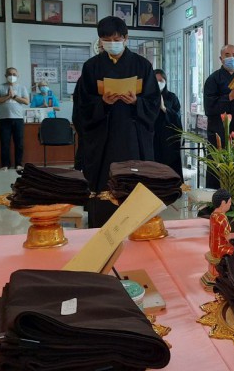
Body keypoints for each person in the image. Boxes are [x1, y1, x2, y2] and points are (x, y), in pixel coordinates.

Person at [73, 16, 160, 226]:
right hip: (102, 138)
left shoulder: (142, 65)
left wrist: (137, 102)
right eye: (106, 39)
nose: (112, 43)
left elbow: (154, 102)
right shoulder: (91, 67)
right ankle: (101, 230)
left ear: (125, 38)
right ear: (100, 40)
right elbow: (82, 105)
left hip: (133, 137)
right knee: (104, 187)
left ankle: (136, 228)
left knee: (133, 185)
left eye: (116, 39)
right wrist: (102, 102)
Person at [203, 44, 234, 188]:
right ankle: (216, 198)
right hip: (219, 131)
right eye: (227, 55)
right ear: (221, 58)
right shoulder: (213, 79)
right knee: (218, 168)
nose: (231, 58)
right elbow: (209, 107)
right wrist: (229, 97)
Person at [0, 67, 29, 171]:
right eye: (9, 74)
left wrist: (14, 96)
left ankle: (18, 164)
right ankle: (5, 164)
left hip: (18, 118)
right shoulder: (0, 87)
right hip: (4, 119)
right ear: (5, 75)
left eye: (14, 74)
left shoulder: (22, 87)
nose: (12, 76)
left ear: (17, 76)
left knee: (19, 143)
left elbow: (26, 101)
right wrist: (8, 96)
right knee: (5, 142)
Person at [153, 69, 185, 179]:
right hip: (152, 138)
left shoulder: (172, 97)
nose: (158, 83)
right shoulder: (147, 97)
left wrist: (164, 108)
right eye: (156, 81)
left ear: (165, 81)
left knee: (170, 168)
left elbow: (177, 117)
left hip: (169, 139)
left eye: (161, 80)